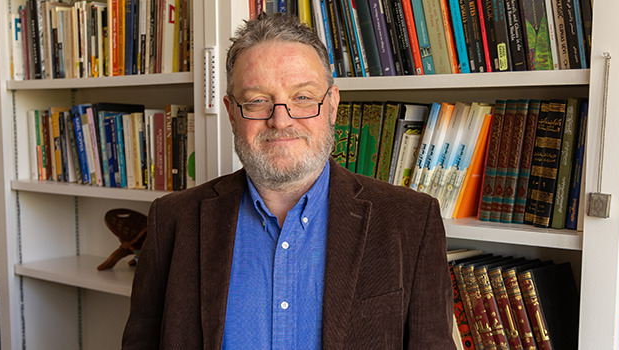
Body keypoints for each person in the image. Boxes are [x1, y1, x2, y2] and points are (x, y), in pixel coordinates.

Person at [122, 13, 455, 350]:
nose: (280, 120)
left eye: (302, 98)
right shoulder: (172, 220)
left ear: (333, 105)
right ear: (231, 112)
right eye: (257, 101)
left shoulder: (411, 220)